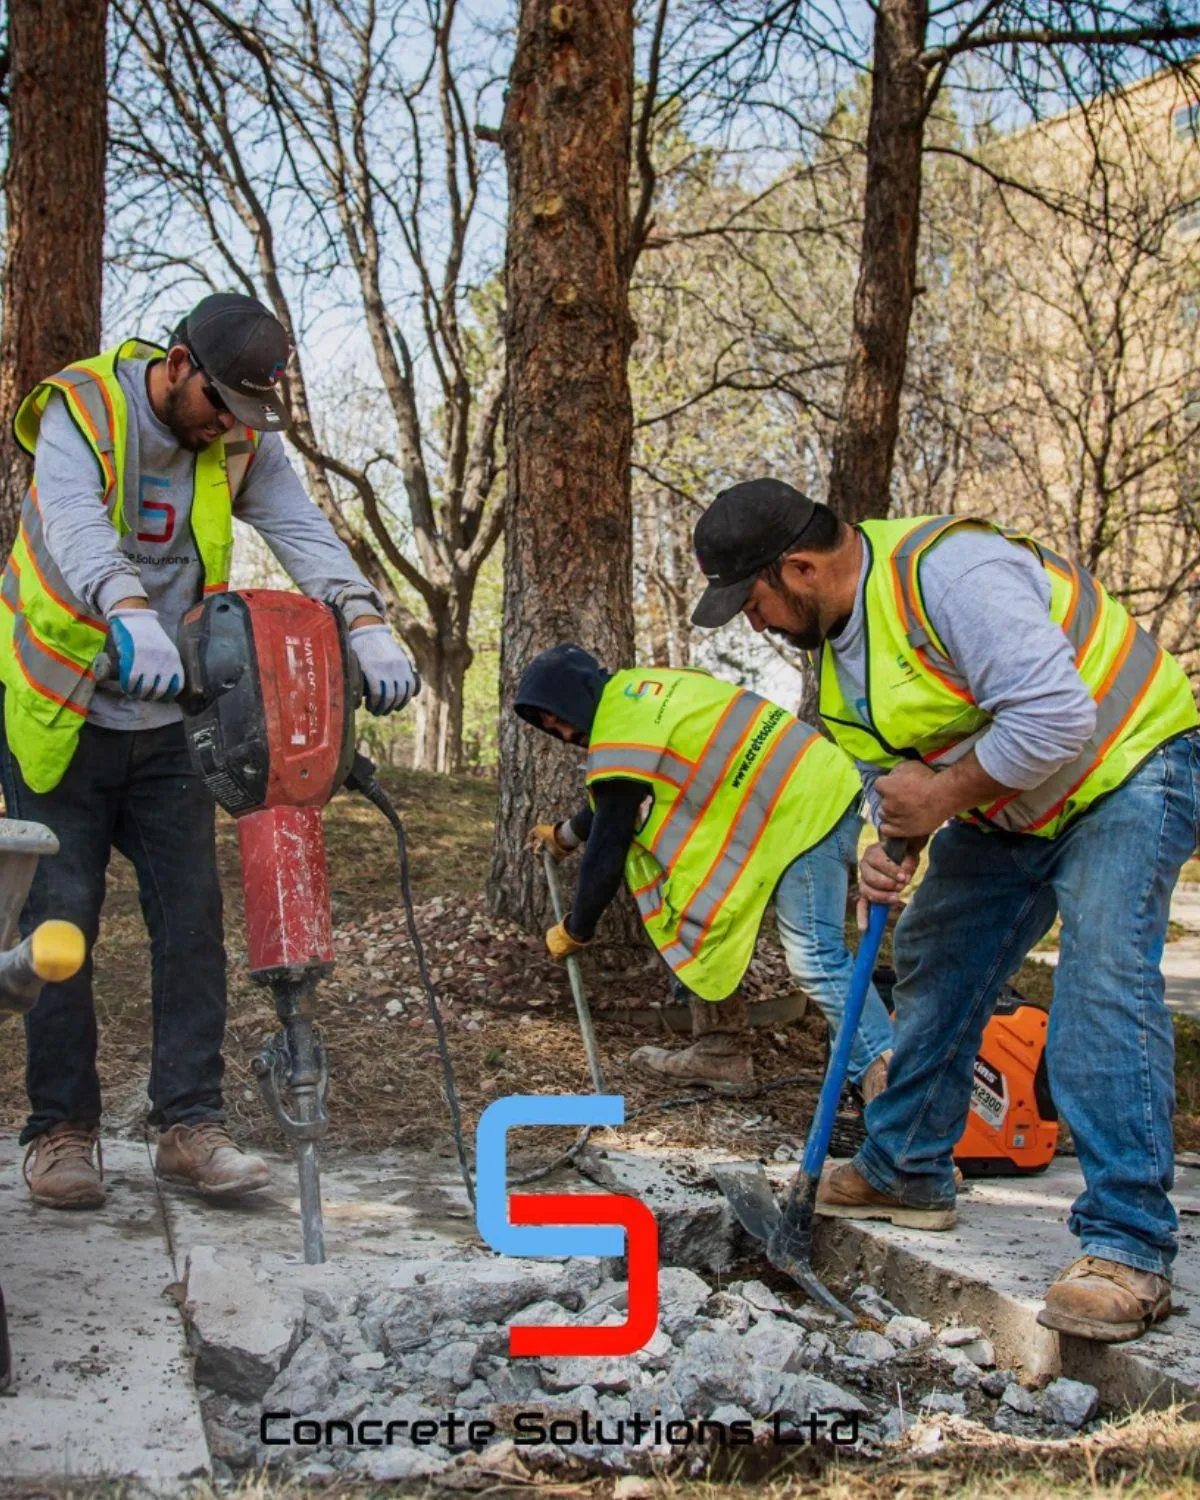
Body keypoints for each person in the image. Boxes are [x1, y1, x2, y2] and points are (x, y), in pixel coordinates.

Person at [690, 475, 1200, 1344]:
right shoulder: (838, 665)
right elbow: (897, 774)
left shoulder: (949, 574)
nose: (754, 622)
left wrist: (940, 799)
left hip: (1127, 767)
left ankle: (1128, 1245)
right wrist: (891, 849)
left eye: (754, 599)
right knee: (933, 953)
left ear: (801, 568)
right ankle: (907, 1168)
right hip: (1014, 802)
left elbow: (1056, 715)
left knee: (1102, 979)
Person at [0, 293, 417, 1210]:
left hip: (169, 725)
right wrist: (127, 607)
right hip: (60, 713)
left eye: (247, 412)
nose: (231, 426)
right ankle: (61, 1135)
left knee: (191, 923)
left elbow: (302, 529)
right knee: (58, 932)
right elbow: (70, 520)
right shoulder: (88, 408)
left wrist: (365, 618)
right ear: (180, 363)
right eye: (219, 403)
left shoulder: (239, 432)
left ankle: (188, 1126)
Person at [514, 644, 894, 1098]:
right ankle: (721, 1053)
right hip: (802, 792)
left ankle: (894, 1092)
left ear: (577, 693)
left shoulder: (618, 729)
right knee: (693, 911)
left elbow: (610, 843)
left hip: (801, 812)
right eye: (547, 727)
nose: (560, 730)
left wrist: (578, 927)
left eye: (556, 716)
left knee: (814, 955)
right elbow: (615, 799)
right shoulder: (643, 692)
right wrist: (565, 836)